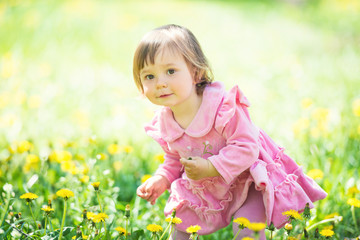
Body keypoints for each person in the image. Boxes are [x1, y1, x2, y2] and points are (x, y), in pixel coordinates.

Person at [134, 24, 327, 240]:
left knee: (245, 229)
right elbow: (174, 159)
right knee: (179, 224)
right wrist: (161, 178)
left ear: (195, 73)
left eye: (170, 71)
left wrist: (210, 166)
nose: (160, 83)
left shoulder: (222, 108)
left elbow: (247, 148)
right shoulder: (165, 121)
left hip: (247, 180)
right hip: (208, 188)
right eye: (149, 76)